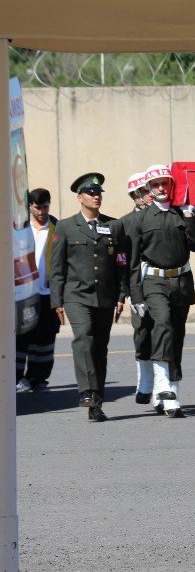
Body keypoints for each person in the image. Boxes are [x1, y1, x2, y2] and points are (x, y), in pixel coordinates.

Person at [48, 173, 128, 422]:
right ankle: (86, 391)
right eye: (91, 193)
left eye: (99, 193)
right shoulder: (66, 226)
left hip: (105, 296)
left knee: (99, 348)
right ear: (79, 197)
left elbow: (121, 263)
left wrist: (122, 294)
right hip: (76, 295)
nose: (96, 197)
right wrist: (56, 300)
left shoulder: (114, 226)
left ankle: (97, 402)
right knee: (83, 337)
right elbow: (57, 267)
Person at [127, 164, 195, 418]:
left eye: (165, 184)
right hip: (154, 282)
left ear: (172, 186)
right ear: (149, 188)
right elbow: (133, 261)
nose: (161, 188)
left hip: (180, 280)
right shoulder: (140, 218)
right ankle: (162, 384)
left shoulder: (181, 214)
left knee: (177, 334)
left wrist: (191, 218)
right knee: (163, 324)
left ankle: (173, 390)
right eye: (156, 185)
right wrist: (136, 295)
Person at [15, 188, 61, 393]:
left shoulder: (57, 228)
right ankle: (17, 378)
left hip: (48, 293)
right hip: (25, 293)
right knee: (22, 337)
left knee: (46, 337)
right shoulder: (20, 228)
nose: (42, 211)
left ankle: (38, 378)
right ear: (29, 207)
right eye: (37, 207)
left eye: (45, 207)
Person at [118, 172, 156, 403]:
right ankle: (144, 381)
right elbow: (122, 261)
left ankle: (161, 383)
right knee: (142, 331)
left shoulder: (164, 215)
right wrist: (124, 292)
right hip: (137, 280)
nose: (150, 195)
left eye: (150, 190)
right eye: (144, 192)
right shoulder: (124, 222)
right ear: (135, 195)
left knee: (162, 331)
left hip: (159, 279)